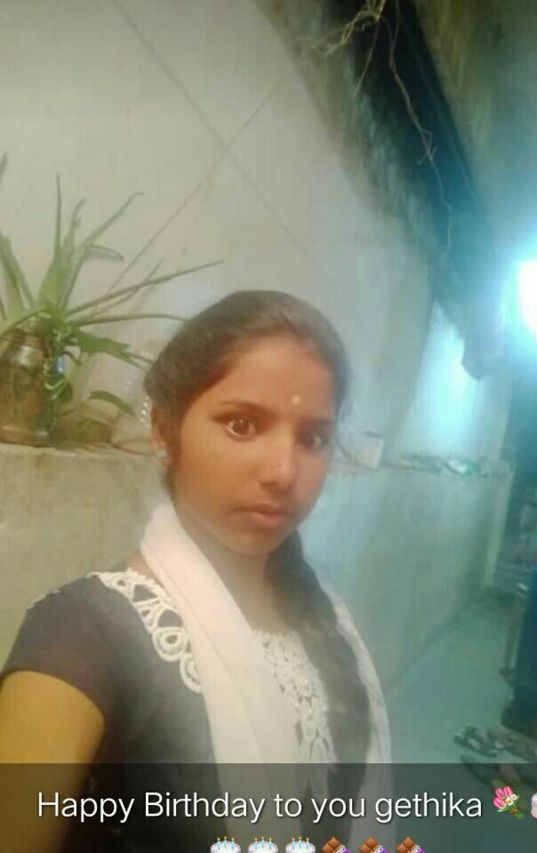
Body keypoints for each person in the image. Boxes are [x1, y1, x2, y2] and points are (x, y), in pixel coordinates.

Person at [0, 290, 391, 852]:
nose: (284, 471)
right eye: (242, 425)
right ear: (165, 428)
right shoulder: (80, 637)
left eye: (313, 438)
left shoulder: (325, 614)